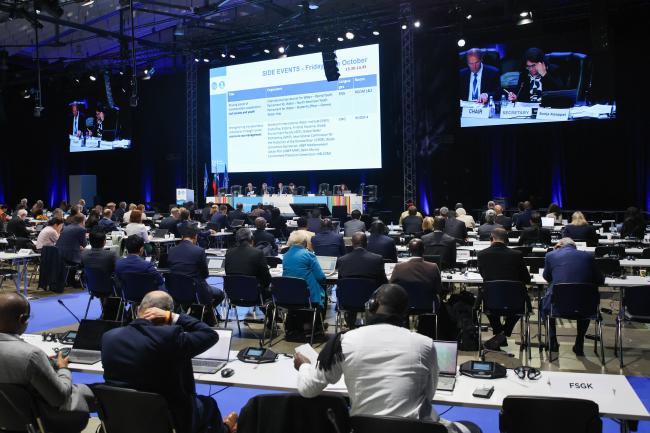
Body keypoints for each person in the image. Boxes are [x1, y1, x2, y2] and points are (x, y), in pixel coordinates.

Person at [294, 284, 480, 433]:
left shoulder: (344, 341)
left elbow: (308, 389)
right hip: (416, 429)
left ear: (372, 305)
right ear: (404, 313)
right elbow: (428, 395)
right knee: (472, 428)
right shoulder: (425, 344)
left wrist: (304, 366)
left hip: (364, 428)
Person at [101, 291, 237, 433]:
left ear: (137, 310)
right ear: (165, 316)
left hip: (122, 417)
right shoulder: (170, 338)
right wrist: (173, 317)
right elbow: (210, 334)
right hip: (169, 419)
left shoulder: (109, 337)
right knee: (209, 404)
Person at [0, 293, 95, 433]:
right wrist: (63, 369)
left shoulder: (31, 355)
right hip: (41, 419)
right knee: (90, 392)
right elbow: (59, 398)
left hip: (7, 419)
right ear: (23, 319)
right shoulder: (32, 356)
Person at [543, 238, 604, 355]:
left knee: (545, 306)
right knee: (585, 300)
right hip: (585, 306)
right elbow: (600, 280)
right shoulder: (589, 257)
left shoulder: (550, 255)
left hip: (558, 305)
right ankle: (579, 341)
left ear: (559, 245)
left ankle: (553, 341)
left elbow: (547, 277)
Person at [477, 228, 531, 341]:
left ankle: (498, 331)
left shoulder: (482, 254)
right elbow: (527, 279)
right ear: (507, 240)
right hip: (514, 301)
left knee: (488, 303)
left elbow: (484, 276)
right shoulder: (517, 254)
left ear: (491, 239)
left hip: (491, 301)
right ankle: (506, 330)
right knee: (519, 307)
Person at [167, 226, 225, 307]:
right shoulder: (199, 251)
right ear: (195, 237)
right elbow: (205, 274)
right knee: (220, 295)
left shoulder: (171, 250)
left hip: (175, 290)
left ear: (182, 237)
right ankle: (206, 313)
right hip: (195, 291)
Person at [282, 230, 326, 307]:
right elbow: (320, 277)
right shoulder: (308, 255)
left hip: (290, 294)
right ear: (305, 242)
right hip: (309, 296)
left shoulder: (285, 255)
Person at [224, 228, 272, 297]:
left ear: (237, 239)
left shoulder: (228, 252)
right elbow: (266, 279)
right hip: (254, 294)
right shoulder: (258, 253)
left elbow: (227, 271)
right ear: (252, 238)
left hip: (233, 294)